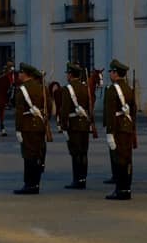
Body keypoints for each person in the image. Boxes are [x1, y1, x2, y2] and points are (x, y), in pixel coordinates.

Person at [12, 64, 51, 195]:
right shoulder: (42, 88)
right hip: (40, 127)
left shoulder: (22, 89)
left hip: (27, 127)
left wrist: (18, 129)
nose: (19, 75)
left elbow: (19, 111)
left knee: (29, 156)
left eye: (20, 73)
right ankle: (36, 183)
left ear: (26, 74)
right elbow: (49, 108)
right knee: (38, 155)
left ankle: (29, 185)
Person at [56, 63, 96, 189]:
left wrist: (62, 124)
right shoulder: (86, 88)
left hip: (73, 125)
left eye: (68, 74)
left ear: (70, 75)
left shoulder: (68, 89)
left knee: (76, 153)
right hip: (85, 124)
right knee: (84, 153)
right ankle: (83, 178)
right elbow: (90, 106)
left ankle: (77, 180)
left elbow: (65, 109)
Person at [103, 59, 137, 201]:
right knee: (127, 158)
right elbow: (133, 110)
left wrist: (109, 132)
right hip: (127, 127)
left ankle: (121, 190)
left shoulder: (112, 89)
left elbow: (110, 112)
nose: (110, 74)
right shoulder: (128, 88)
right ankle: (126, 188)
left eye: (111, 71)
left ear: (116, 73)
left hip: (117, 128)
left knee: (119, 159)